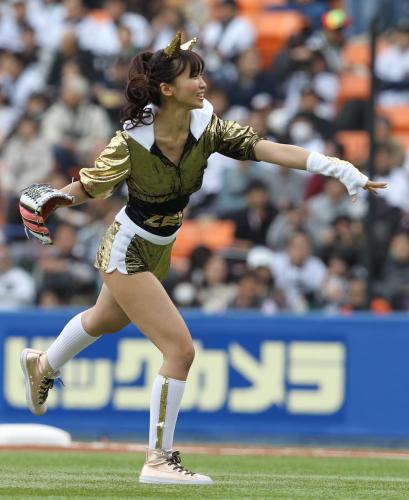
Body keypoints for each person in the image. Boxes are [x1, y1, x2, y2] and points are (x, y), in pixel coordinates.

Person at [19, 32, 386, 485]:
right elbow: (90, 186)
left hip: (160, 245)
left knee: (104, 320)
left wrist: (338, 166)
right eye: (194, 76)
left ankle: (43, 364)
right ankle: (157, 460)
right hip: (127, 246)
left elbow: (269, 149)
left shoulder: (206, 127)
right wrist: (52, 197)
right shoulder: (131, 140)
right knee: (180, 350)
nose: (203, 83)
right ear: (167, 89)